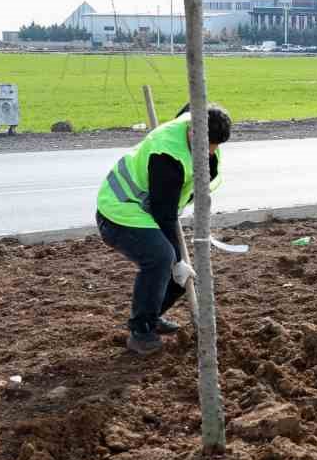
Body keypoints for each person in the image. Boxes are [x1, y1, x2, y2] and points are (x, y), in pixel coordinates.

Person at [94, 104, 229, 356]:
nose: (211, 151)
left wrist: (179, 262)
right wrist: (177, 259)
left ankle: (152, 314)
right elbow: (163, 213)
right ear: (191, 131)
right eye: (207, 145)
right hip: (120, 210)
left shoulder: (200, 121)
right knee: (163, 259)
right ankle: (141, 331)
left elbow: (192, 104)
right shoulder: (165, 156)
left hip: (150, 209)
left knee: (180, 276)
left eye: (215, 147)